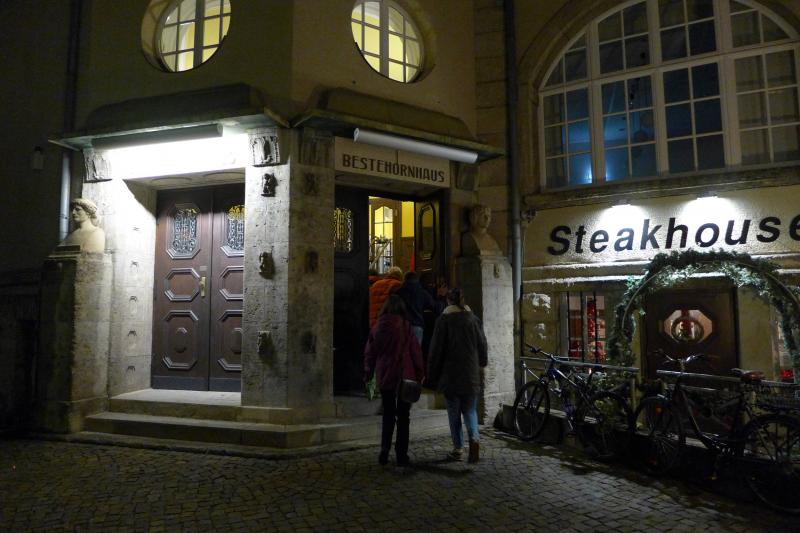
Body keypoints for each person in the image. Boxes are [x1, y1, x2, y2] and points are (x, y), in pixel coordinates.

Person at [427, 288, 488, 463]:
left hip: (450, 374)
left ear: (449, 301)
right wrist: (482, 362)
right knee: (470, 410)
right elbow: (482, 344)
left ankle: (458, 448)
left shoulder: (444, 320)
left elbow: (436, 349)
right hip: (470, 373)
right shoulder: (473, 319)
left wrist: (431, 374)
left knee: (454, 413)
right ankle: (474, 439)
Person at [363, 295, 425, 466]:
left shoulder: (377, 327)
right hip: (405, 374)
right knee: (404, 416)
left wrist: (368, 373)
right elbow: (416, 352)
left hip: (385, 374)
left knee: (388, 414)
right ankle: (401, 455)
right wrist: (420, 373)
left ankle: (384, 451)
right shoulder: (405, 326)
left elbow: (370, 353)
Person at [394, 271, 435, 346]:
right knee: (416, 350)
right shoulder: (422, 292)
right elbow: (433, 306)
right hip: (417, 325)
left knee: (402, 349)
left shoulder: (398, 292)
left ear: (404, 279)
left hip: (402, 326)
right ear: (417, 280)